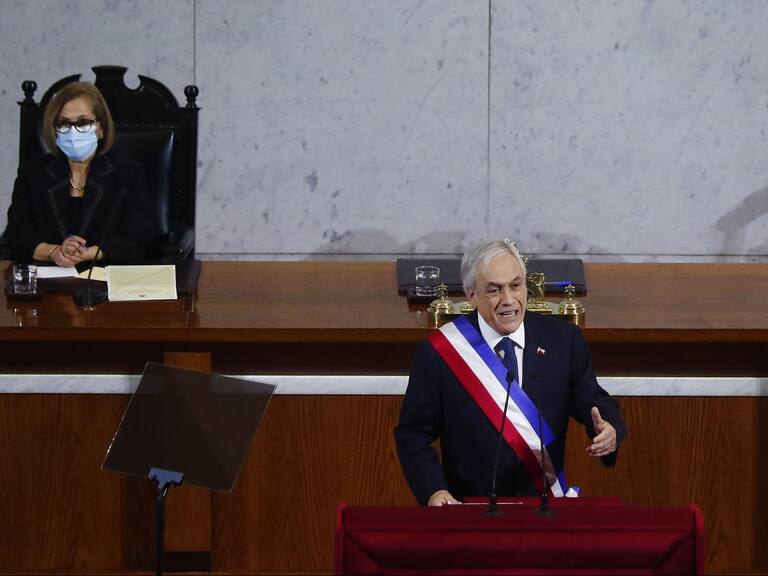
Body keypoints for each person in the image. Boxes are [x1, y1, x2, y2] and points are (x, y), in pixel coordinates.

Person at [394, 239, 626, 506]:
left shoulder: (563, 340)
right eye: (494, 290)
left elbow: (595, 402)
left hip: (544, 511)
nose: (508, 300)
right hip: (471, 513)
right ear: (471, 295)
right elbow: (412, 435)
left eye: (516, 286)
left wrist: (610, 429)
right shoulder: (440, 352)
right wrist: (435, 491)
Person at [5, 82, 156, 267]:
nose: (73, 131)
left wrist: (88, 254)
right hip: (48, 276)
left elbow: (138, 235)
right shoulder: (33, 172)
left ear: (100, 128)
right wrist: (54, 252)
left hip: (103, 276)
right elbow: (16, 231)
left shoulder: (127, 173)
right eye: (64, 123)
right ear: (54, 129)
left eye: (83, 122)